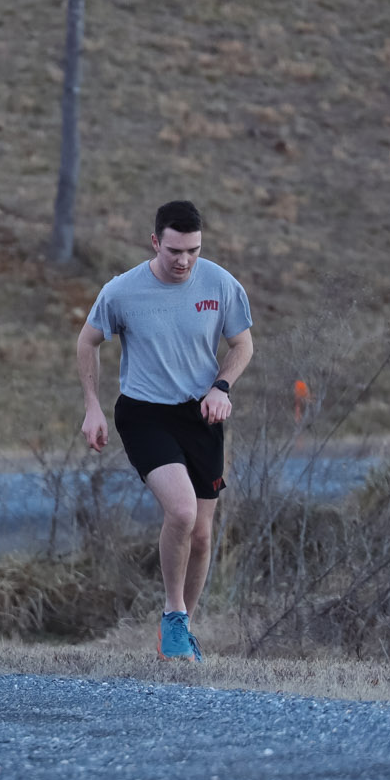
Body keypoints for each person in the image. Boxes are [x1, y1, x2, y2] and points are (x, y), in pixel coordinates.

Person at [76, 200, 254, 660]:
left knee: (201, 534)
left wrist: (222, 388)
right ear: (155, 242)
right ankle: (173, 616)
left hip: (202, 414)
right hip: (144, 413)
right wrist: (92, 406)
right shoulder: (122, 291)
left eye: (192, 250)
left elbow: (242, 344)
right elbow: (88, 340)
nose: (183, 261)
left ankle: (180, 630)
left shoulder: (220, 283)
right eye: (174, 250)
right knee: (181, 511)